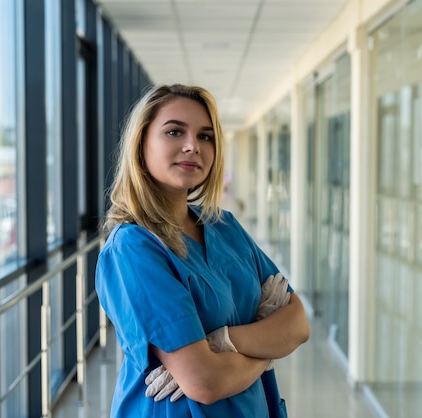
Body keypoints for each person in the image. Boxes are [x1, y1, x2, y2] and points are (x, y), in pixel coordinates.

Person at [95, 83, 310, 418]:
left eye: (206, 136)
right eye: (174, 131)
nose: (192, 146)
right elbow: (205, 382)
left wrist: (221, 341)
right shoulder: (133, 248)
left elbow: (297, 325)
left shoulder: (225, 226)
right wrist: (266, 348)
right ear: (141, 145)